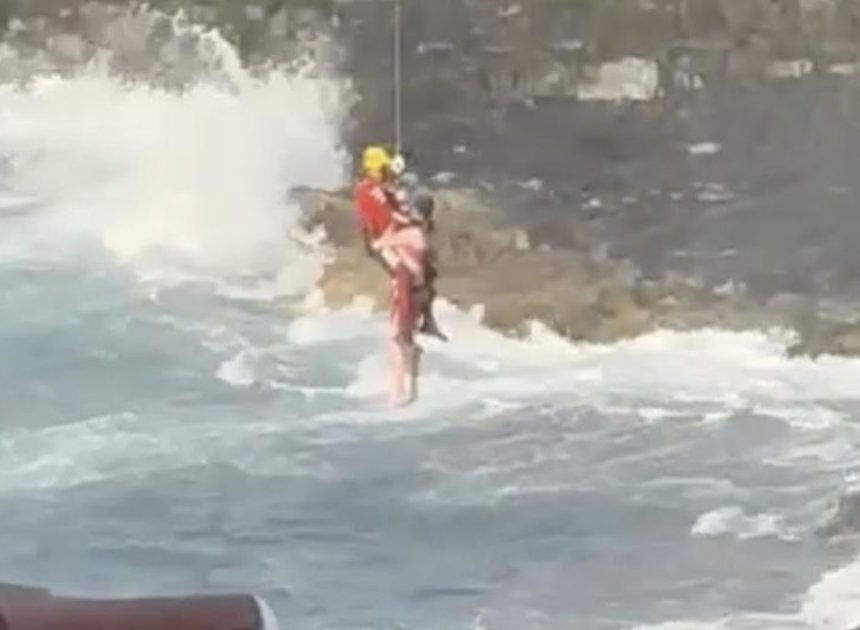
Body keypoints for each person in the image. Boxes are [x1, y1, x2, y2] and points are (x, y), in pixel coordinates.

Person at [352, 145, 446, 341]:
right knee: (403, 272)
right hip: (379, 241)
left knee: (428, 271)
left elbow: (392, 187)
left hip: (393, 235)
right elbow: (389, 215)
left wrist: (399, 160)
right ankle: (404, 331)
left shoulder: (378, 186)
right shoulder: (367, 190)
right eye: (383, 169)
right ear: (373, 170)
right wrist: (412, 221)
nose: (386, 172)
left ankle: (427, 320)